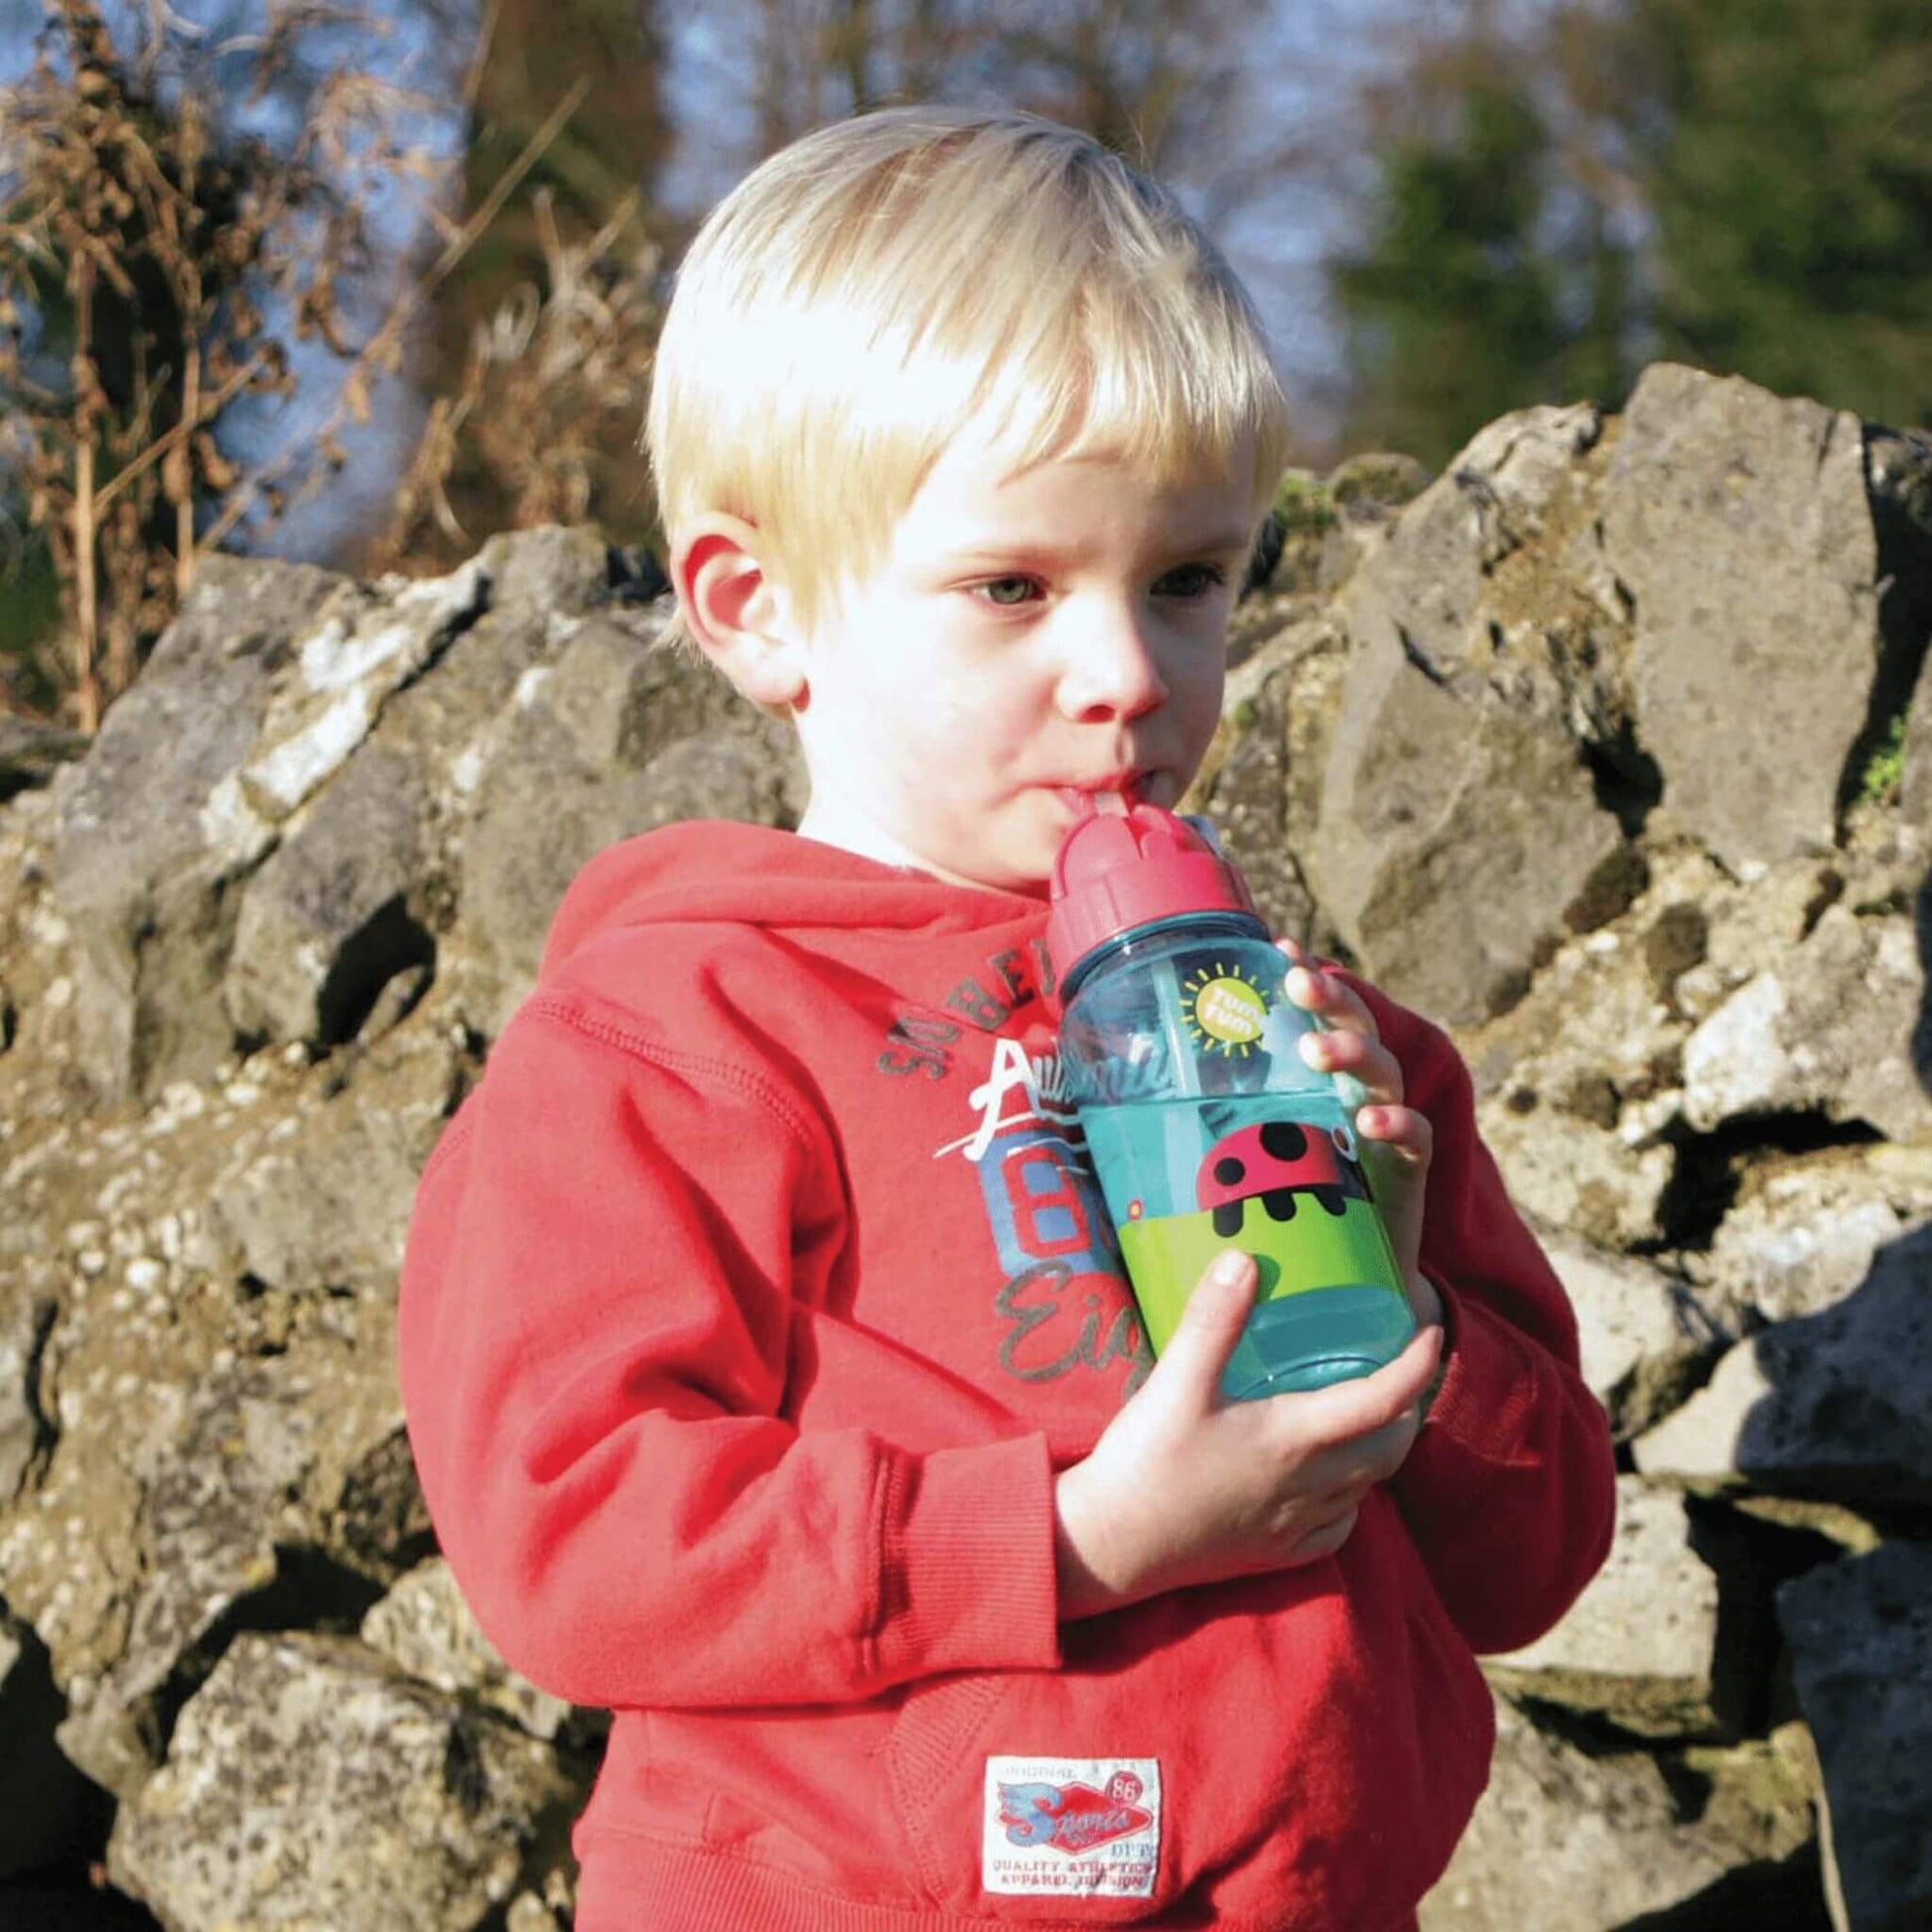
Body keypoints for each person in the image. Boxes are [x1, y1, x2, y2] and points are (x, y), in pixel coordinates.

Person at [398, 104, 1616, 1932]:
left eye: (1188, 579)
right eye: (1013, 589)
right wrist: (1064, 1541)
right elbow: (573, 1530)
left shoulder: (1331, 1040)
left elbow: (1534, 1558)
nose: (1127, 673)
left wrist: (1410, 1311)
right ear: (758, 606)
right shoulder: (679, 1030)